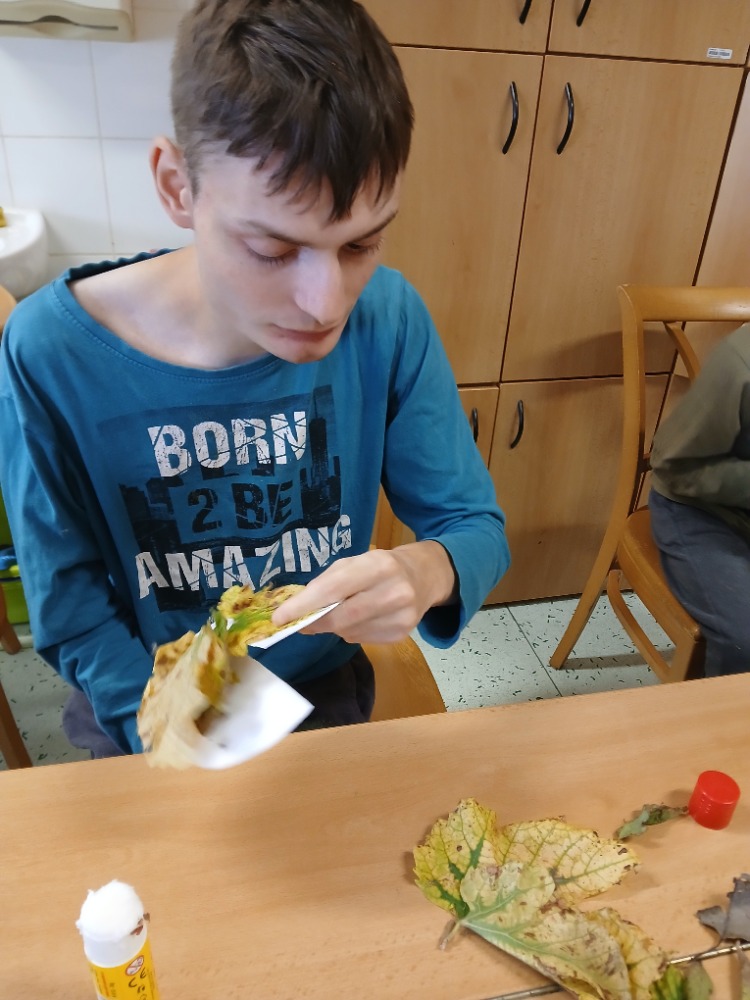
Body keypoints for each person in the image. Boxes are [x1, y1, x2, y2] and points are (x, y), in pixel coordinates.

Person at [0, 0, 509, 756]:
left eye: (362, 245)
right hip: (145, 694)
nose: (326, 304)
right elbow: (68, 608)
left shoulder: (388, 317)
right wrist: (189, 731)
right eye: (272, 250)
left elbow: (474, 529)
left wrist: (427, 568)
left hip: (320, 690)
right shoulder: (50, 352)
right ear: (177, 186)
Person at [649, 323, 750, 676]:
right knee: (745, 641)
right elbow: (673, 465)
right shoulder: (739, 362)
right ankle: (725, 710)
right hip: (701, 510)